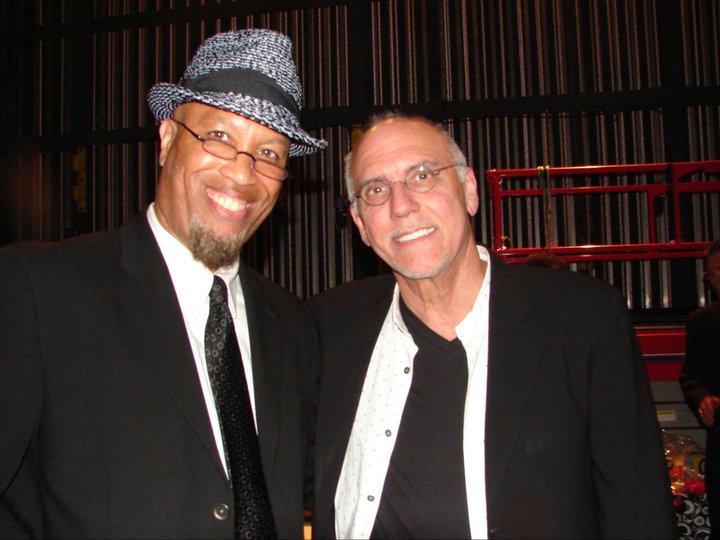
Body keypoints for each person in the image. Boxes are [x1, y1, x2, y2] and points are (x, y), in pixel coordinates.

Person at [0, 29, 325, 539]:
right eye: (219, 137)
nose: (243, 174)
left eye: (269, 153)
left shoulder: (290, 323)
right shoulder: (38, 290)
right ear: (168, 139)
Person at [308, 112, 676, 539]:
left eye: (422, 176)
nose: (401, 205)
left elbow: (638, 508)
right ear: (360, 224)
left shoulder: (579, 318)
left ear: (469, 190)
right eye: (376, 189)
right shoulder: (330, 326)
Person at [680, 238, 720, 536]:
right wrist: (702, 398)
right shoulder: (702, 321)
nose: (715, 279)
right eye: (712, 273)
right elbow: (690, 377)